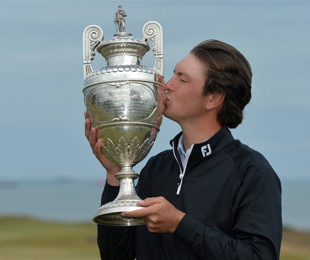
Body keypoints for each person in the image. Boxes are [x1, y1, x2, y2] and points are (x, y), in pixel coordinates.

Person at [85, 39, 282, 259]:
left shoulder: (251, 170)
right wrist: (115, 176)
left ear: (214, 98)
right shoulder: (156, 167)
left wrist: (179, 224)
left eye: (183, 79)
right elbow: (116, 256)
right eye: (173, 74)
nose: (168, 85)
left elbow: (259, 255)